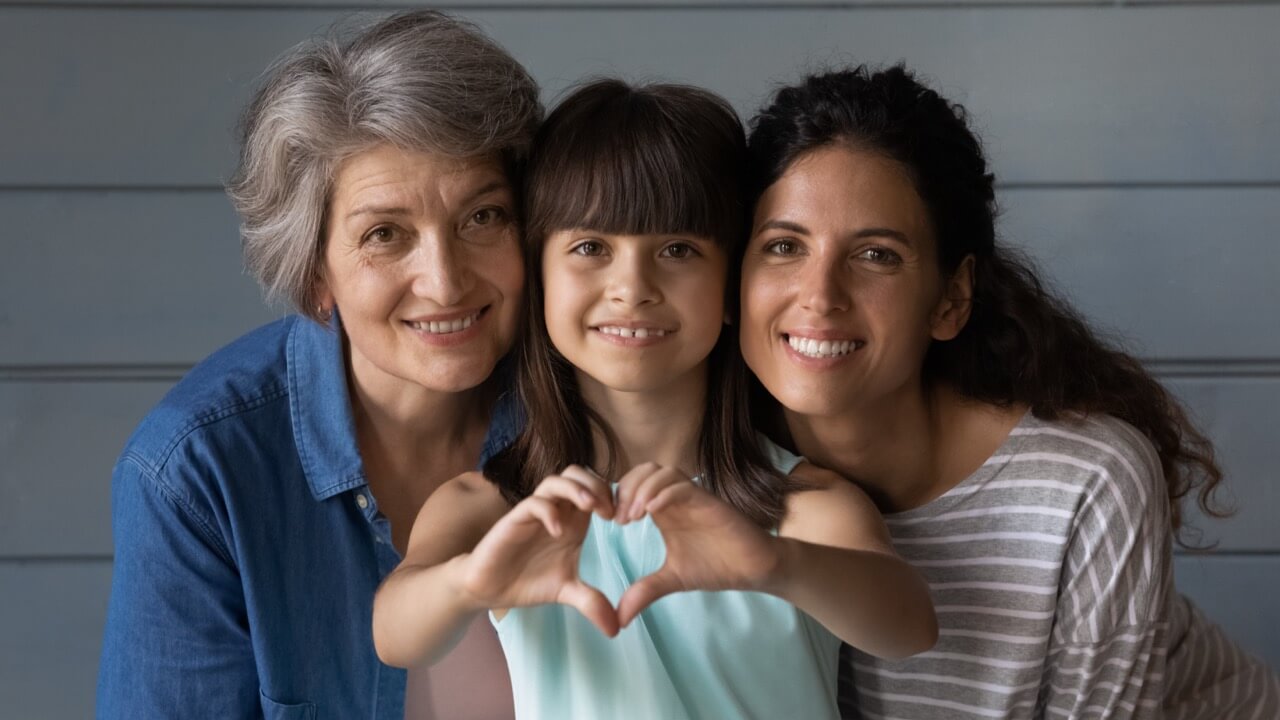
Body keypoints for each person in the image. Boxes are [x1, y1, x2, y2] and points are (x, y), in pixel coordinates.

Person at [371, 79, 938, 720]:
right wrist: (471, 583)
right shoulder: (490, 508)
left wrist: (775, 565)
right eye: (591, 248)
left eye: (677, 250)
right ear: (540, 279)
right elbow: (395, 634)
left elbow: (909, 624)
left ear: (732, 288)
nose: (632, 288)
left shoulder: (800, 506)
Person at [739, 64, 1280, 719]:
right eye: (783, 245)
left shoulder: (1087, 479)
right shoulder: (719, 464)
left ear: (951, 298)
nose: (820, 295)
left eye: (876, 254)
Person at [95, 11, 541, 719]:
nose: (446, 281)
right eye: (385, 235)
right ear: (315, 276)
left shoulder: (592, 407)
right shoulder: (194, 472)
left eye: (481, 218)